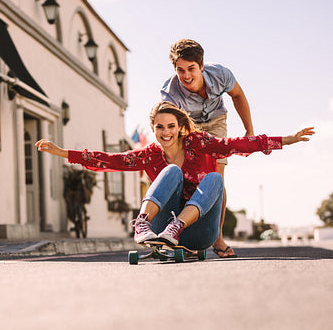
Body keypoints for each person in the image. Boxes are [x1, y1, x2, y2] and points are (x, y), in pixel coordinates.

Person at [35, 101, 314, 250]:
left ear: (181, 128)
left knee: (215, 178)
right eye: (159, 127)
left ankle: (176, 228)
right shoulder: (151, 154)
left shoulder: (200, 142)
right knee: (169, 170)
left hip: (197, 232)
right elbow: (112, 161)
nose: (165, 132)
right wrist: (62, 152)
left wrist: (286, 140)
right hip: (160, 229)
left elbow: (236, 145)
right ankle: (142, 225)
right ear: (153, 129)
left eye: (170, 126)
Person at [160, 39, 253, 257]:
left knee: (215, 176)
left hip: (216, 121)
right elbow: (167, 125)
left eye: (191, 68)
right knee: (189, 177)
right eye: (180, 70)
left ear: (201, 66)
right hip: (187, 125)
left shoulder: (220, 74)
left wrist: (249, 132)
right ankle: (190, 237)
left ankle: (217, 238)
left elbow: (238, 96)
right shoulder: (170, 93)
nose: (186, 76)